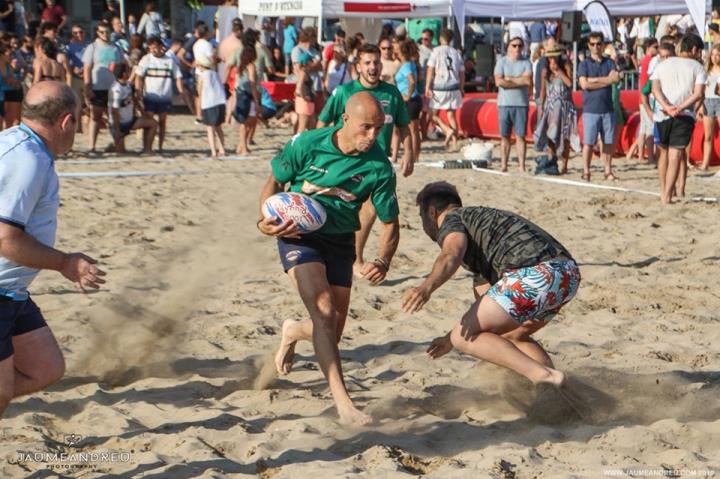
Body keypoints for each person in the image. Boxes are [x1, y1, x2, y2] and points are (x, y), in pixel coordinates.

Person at [259, 92, 400, 425]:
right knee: (323, 309)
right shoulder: (307, 144)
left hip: (340, 241)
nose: (372, 137)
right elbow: (275, 181)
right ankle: (344, 404)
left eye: (378, 129)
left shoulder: (379, 166)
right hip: (299, 234)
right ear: (345, 120)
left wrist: (382, 260)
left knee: (331, 329)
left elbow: (390, 223)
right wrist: (264, 218)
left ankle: (293, 331)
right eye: (366, 127)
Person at [401, 181, 579, 388]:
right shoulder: (484, 230)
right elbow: (485, 313)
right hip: (567, 274)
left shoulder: (452, 220)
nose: (423, 226)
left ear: (432, 212)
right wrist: (448, 340)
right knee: (512, 335)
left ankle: (546, 378)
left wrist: (426, 287)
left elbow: (451, 253)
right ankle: (557, 394)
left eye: (421, 217)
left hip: (533, 273)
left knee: (462, 337)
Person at [0, 81, 106, 417]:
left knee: (45, 368)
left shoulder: (22, 146)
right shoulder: (26, 160)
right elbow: (5, 238)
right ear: (66, 121)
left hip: (11, 290)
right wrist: (65, 263)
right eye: (79, 118)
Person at [317, 43, 412, 276]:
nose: (373, 67)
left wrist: (409, 153)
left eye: (376, 62)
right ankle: (343, 257)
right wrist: (318, 150)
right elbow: (322, 123)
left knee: (371, 207)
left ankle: (356, 259)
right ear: (358, 66)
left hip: (376, 165)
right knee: (343, 210)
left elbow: (404, 125)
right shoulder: (344, 92)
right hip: (343, 163)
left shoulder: (391, 92)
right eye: (367, 63)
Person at [651, 33, 705, 204]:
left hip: (662, 114)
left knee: (663, 154)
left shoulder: (663, 64)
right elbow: (698, 94)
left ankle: (662, 192)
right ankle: (667, 196)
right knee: (675, 155)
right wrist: (680, 108)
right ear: (695, 49)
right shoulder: (697, 67)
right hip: (683, 115)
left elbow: (655, 89)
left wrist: (667, 106)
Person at [578, 32, 620, 182]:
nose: (596, 47)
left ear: (603, 45)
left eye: (598, 43)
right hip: (591, 109)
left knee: (608, 142)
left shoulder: (609, 62)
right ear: (589, 46)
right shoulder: (584, 64)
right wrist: (606, 80)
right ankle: (586, 171)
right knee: (588, 143)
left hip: (607, 108)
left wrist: (594, 80)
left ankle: (607, 170)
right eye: (592, 44)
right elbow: (584, 84)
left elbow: (615, 78)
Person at [534, 45, 579, 174]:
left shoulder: (565, 67)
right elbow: (543, 90)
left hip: (564, 105)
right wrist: (541, 106)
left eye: (554, 57)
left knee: (565, 136)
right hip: (551, 105)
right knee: (550, 135)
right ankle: (551, 159)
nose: (552, 60)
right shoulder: (545, 71)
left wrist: (559, 71)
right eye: (550, 57)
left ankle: (564, 165)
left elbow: (570, 84)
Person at [135, 36, 182, 153]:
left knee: (162, 121)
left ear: (161, 47)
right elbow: (139, 77)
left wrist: (181, 92)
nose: (153, 50)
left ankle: (160, 147)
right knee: (149, 121)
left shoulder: (169, 61)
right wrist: (138, 91)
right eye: (151, 48)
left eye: (155, 47)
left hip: (165, 95)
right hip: (150, 95)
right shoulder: (146, 59)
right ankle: (147, 146)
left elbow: (178, 77)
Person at [82, 22, 124, 153]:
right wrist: (88, 87)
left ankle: (119, 145)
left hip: (113, 87)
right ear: (97, 33)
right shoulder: (92, 47)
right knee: (95, 116)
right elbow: (87, 68)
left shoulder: (116, 48)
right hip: (97, 86)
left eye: (107, 32)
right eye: (102, 32)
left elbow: (121, 67)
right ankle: (91, 146)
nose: (105, 34)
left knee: (115, 117)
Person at [494, 36, 532, 172]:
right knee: (504, 136)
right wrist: (518, 80)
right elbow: (499, 82)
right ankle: (504, 165)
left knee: (520, 136)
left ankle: (521, 166)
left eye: (520, 46)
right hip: (504, 103)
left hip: (521, 104)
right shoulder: (502, 62)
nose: (517, 48)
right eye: (514, 45)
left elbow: (527, 81)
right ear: (508, 47)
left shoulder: (526, 62)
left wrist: (509, 79)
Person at [426, 29, 464, 152]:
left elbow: (430, 70)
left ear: (440, 38)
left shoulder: (436, 51)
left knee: (434, 115)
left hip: (440, 86)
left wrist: (427, 86)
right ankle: (454, 142)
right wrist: (462, 87)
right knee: (451, 115)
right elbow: (462, 73)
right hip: (454, 86)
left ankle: (447, 130)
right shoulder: (456, 53)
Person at [108, 63, 157, 154]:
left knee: (152, 123)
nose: (129, 72)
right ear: (123, 74)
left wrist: (143, 112)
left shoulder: (128, 85)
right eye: (127, 71)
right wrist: (117, 130)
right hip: (119, 124)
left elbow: (134, 100)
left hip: (130, 121)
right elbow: (114, 111)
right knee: (122, 152)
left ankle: (147, 149)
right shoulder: (116, 90)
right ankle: (114, 146)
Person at [626, 38, 658, 164]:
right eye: (655, 47)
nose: (657, 49)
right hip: (647, 97)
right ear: (648, 47)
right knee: (648, 128)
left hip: (642, 97)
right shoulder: (650, 61)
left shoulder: (645, 60)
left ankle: (636, 154)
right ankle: (650, 157)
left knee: (644, 129)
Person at [396, 39, 422, 163]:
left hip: (411, 100)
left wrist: (408, 95)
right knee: (414, 130)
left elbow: (411, 81)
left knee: (412, 130)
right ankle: (415, 156)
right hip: (414, 100)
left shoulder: (407, 65)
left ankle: (414, 156)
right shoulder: (411, 63)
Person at [196, 58, 226, 158]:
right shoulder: (215, 74)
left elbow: (200, 92)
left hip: (209, 103)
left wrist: (199, 110)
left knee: (210, 129)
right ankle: (222, 149)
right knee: (218, 127)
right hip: (220, 101)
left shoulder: (202, 76)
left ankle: (213, 151)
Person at [701, 43, 720, 171]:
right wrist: (700, 105)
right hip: (708, 101)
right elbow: (701, 89)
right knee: (708, 136)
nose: (715, 57)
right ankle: (705, 164)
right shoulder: (706, 71)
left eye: (717, 54)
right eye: (712, 54)